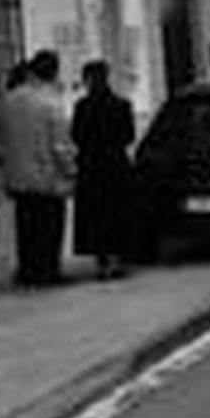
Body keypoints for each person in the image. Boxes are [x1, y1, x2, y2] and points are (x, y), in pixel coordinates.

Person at [0, 50, 76, 287]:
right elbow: (60, 145)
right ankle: (47, 272)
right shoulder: (50, 102)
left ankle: (28, 271)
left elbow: (2, 135)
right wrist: (71, 170)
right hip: (47, 177)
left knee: (26, 227)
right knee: (50, 227)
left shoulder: (9, 100)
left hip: (17, 177)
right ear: (53, 72)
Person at [70, 59, 136, 279]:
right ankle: (119, 260)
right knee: (117, 213)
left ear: (88, 80)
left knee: (96, 216)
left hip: (91, 168)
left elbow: (76, 136)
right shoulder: (122, 104)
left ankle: (102, 262)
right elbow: (129, 136)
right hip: (116, 165)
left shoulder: (82, 107)